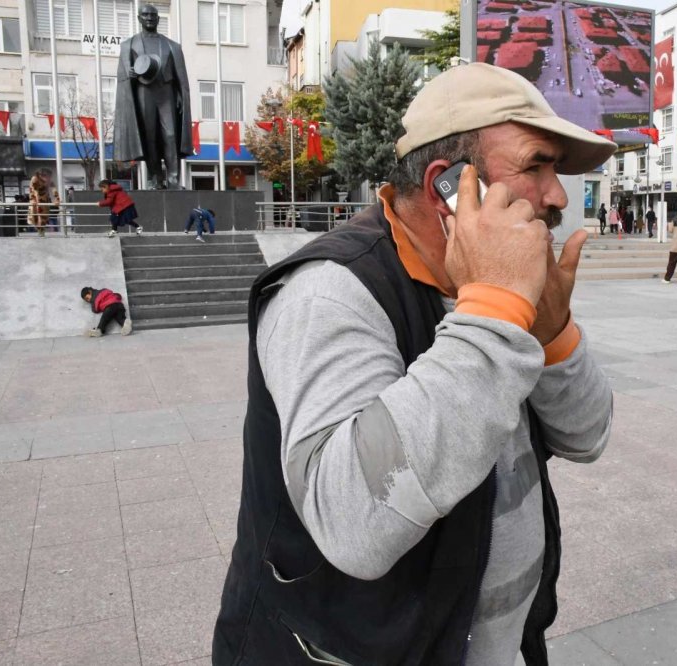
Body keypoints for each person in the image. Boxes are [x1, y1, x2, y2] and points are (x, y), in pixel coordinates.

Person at [212, 62, 615, 665]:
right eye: (536, 165)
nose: (558, 195)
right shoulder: (329, 292)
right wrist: (496, 314)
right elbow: (355, 523)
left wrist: (553, 335)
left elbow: (588, 436)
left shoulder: (490, 285)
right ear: (447, 184)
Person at [113, 4, 193, 189]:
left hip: (166, 93)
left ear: (158, 19)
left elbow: (180, 75)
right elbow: (122, 76)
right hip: (143, 93)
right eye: (145, 15)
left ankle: (173, 178)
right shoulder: (129, 45)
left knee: (171, 135)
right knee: (149, 136)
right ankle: (154, 178)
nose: (149, 18)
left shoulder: (172, 45)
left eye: (153, 15)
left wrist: (181, 95)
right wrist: (130, 75)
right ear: (139, 18)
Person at [27, 169, 53, 237]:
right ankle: (40, 231)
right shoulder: (35, 179)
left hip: (44, 202)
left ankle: (41, 231)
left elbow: (53, 189)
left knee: (43, 218)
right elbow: (33, 190)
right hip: (36, 202)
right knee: (36, 217)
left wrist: (57, 198)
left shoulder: (48, 180)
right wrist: (33, 199)